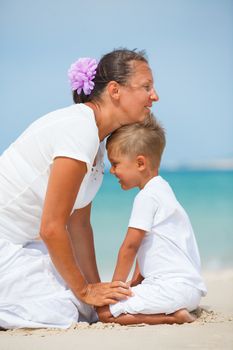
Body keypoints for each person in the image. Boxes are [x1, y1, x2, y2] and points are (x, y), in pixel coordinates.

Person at [0, 49, 159, 329]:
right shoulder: (78, 130)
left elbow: (79, 226)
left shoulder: (94, 140)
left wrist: (94, 295)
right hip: (8, 241)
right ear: (115, 91)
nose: (154, 96)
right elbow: (51, 227)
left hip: (25, 242)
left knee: (83, 310)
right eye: (146, 87)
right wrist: (85, 291)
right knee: (62, 311)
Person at [97, 115, 207, 325]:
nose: (112, 171)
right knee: (124, 298)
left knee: (104, 312)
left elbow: (130, 246)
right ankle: (174, 311)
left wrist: (115, 288)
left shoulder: (146, 197)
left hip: (170, 291)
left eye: (115, 164)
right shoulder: (163, 189)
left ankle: (174, 317)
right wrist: (137, 281)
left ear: (140, 163)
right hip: (190, 291)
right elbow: (148, 244)